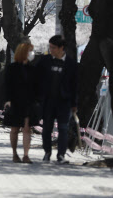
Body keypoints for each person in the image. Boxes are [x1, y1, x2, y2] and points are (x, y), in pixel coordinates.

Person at [37, 35, 78, 164]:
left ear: (62, 48)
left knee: (63, 128)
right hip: (48, 101)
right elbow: (36, 79)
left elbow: (75, 85)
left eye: (53, 48)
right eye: (50, 47)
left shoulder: (71, 64)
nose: (51, 50)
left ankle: (61, 154)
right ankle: (47, 152)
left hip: (64, 102)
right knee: (47, 128)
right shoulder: (45, 61)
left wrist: (74, 103)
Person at [4, 42, 39, 164]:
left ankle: (26, 155)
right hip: (15, 102)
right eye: (29, 51)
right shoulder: (12, 68)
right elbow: (7, 85)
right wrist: (7, 100)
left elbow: (36, 87)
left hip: (29, 102)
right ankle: (14, 154)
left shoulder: (32, 69)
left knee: (27, 128)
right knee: (14, 128)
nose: (31, 54)